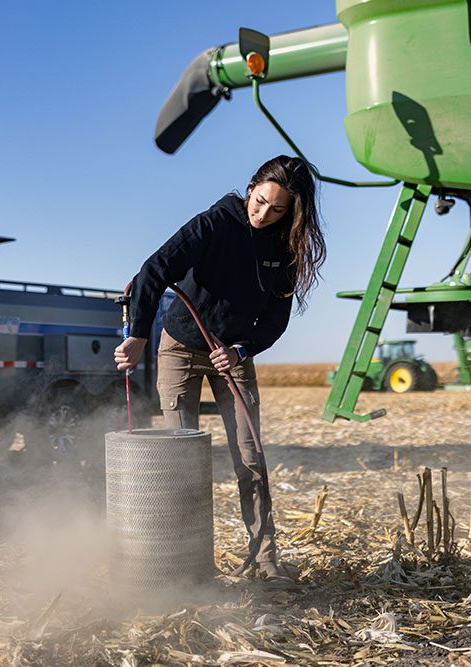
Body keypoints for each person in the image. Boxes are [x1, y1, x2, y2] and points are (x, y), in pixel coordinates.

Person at [113, 155, 325, 587]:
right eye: (260, 201)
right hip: (179, 348)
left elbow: (275, 320)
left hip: (234, 356)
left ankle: (266, 564)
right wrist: (137, 335)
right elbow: (153, 270)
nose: (264, 214)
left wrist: (242, 348)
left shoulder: (285, 247)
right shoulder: (214, 223)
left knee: (251, 460)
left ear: (293, 212)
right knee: (181, 461)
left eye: (278, 209)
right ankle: (187, 568)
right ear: (251, 188)